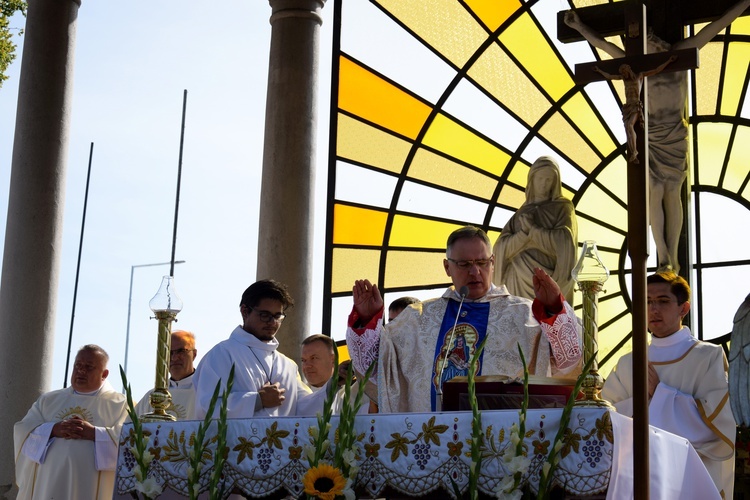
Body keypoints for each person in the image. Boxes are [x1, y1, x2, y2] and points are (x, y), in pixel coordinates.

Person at [564, 0, 750, 273]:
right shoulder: (635, 65)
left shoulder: (680, 54)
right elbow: (603, 46)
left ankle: (670, 257)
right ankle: (662, 256)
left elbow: (716, 26)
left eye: (645, 41)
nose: (642, 46)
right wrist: (579, 26)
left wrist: (743, 4)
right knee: (654, 190)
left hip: (673, 131)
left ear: (655, 39)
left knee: (672, 191)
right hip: (652, 134)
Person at [347, 225, 583, 413]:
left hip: (506, 445)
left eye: (482, 263)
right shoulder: (418, 320)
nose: (475, 272)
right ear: (447, 267)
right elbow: (378, 373)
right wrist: (367, 321)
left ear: (493, 262)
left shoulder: (525, 315)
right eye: (464, 264)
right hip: (434, 443)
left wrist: (554, 308)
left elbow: (569, 361)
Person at [601, 271, 736, 498]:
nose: (653, 309)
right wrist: (649, 401)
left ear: (683, 308)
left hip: (690, 476)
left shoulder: (708, 357)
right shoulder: (628, 363)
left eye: (663, 301)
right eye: (647, 301)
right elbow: (608, 421)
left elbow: (716, 428)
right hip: (637, 475)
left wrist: (659, 393)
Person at [193, 279, 325, 418]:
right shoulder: (222, 354)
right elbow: (206, 408)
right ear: (245, 311)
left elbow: (305, 409)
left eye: (277, 316)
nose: (272, 322)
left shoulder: (288, 365)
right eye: (265, 315)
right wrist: (257, 401)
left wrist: (335, 386)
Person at [14, 345, 128, 500]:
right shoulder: (48, 400)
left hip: (88, 486)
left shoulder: (120, 404)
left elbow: (129, 439)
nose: (81, 371)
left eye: (88, 367)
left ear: (104, 374)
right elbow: (23, 430)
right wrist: (53, 429)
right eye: (78, 366)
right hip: (48, 485)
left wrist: (94, 433)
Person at [492, 156, 578, 305]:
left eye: (548, 180)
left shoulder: (563, 208)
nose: (543, 184)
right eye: (540, 179)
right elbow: (500, 249)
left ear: (555, 182)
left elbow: (565, 242)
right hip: (517, 281)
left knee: (548, 325)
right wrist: (523, 236)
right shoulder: (521, 214)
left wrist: (534, 231)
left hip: (549, 282)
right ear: (532, 180)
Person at [133, 330, 198, 420]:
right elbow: (129, 430)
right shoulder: (152, 396)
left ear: (194, 354)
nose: (174, 358)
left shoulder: (205, 392)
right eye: (169, 352)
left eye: (181, 351)